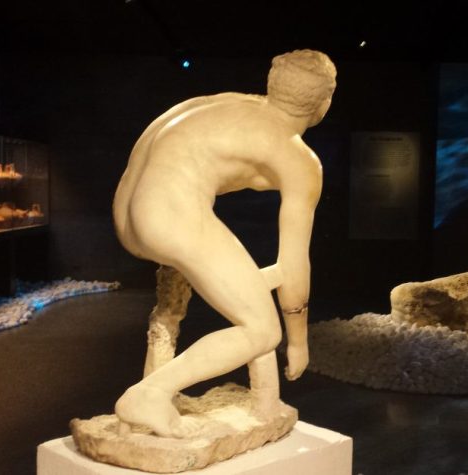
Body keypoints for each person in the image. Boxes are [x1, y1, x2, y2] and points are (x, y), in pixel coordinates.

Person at [112, 49, 336, 438]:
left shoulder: (230, 103)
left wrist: (250, 282)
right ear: (324, 103)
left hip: (127, 215)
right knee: (263, 330)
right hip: (168, 214)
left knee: (244, 291)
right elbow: (294, 264)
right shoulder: (299, 159)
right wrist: (298, 342)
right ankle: (149, 394)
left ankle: (155, 394)